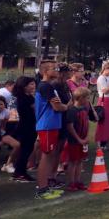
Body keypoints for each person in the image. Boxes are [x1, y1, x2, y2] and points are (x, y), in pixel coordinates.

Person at [34, 66, 68, 199]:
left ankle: (46, 185)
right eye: (54, 68)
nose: (57, 71)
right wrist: (67, 106)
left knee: (50, 156)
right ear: (45, 72)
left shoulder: (49, 86)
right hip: (47, 125)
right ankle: (42, 189)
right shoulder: (45, 86)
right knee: (46, 156)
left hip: (52, 125)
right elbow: (57, 106)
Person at [64, 87, 94, 192]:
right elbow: (70, 127)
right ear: (80, 98)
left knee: (80, 161)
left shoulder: (84, 109)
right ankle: (71, 183)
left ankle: (77, 181)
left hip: (83, 140)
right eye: (87, 98)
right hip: (74, 141)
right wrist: (79, 139)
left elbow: (86, 123)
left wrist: (86, 137)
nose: (88, 100)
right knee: (73, 161)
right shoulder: (72, 111)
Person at [10, 76, 38, 183]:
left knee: (28, 149)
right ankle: (19, 172)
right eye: (31, 84)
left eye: (34, 83)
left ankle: (20, 171)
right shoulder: (22, 98)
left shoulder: (29, 96)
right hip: (25, 127)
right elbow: (34, 110)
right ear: (24, 86)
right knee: (25, 150)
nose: (34, 86)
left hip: (31, 125)